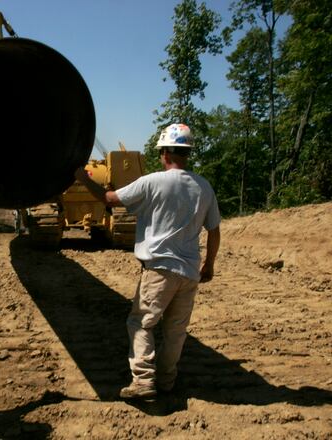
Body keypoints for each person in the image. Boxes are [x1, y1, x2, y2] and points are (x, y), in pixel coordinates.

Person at [73, 123, 221, 400]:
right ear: (187, 153)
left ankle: (143, 381)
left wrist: (83, 177)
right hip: (190, 273)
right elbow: (214, 230)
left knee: (141, 323)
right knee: (176, 331)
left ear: (165, 153)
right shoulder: (204, 187)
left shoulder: (151, 182)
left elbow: (108, 199)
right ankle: (166, 381)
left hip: (159, 270)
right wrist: (209, 264)